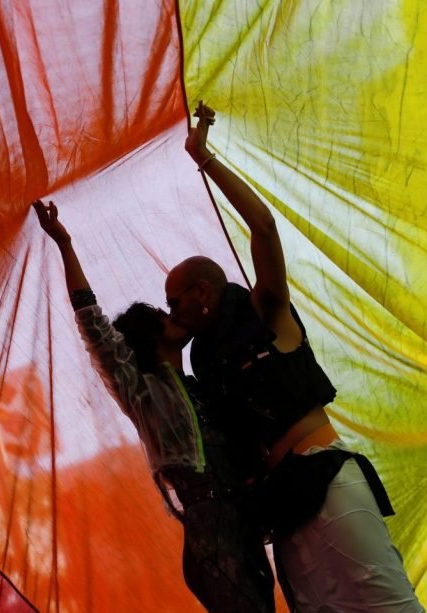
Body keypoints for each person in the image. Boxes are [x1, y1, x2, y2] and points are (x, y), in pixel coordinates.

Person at [167, 102, 423, 612]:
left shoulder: (266, 310)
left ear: (202, 292)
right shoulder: (207, 364)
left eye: (176, 302)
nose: (172, 312)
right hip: (280, 508)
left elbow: (264, 229)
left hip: (325, 481)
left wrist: (205, 158)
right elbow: (189, 423)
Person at [34, 200, 274, 612]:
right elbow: (95, 327)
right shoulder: (142, 392)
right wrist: (65, 244)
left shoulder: (202, 387)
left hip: (242, 524)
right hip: (210, 536)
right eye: (164, 314)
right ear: (149, 336)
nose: (173, 314)